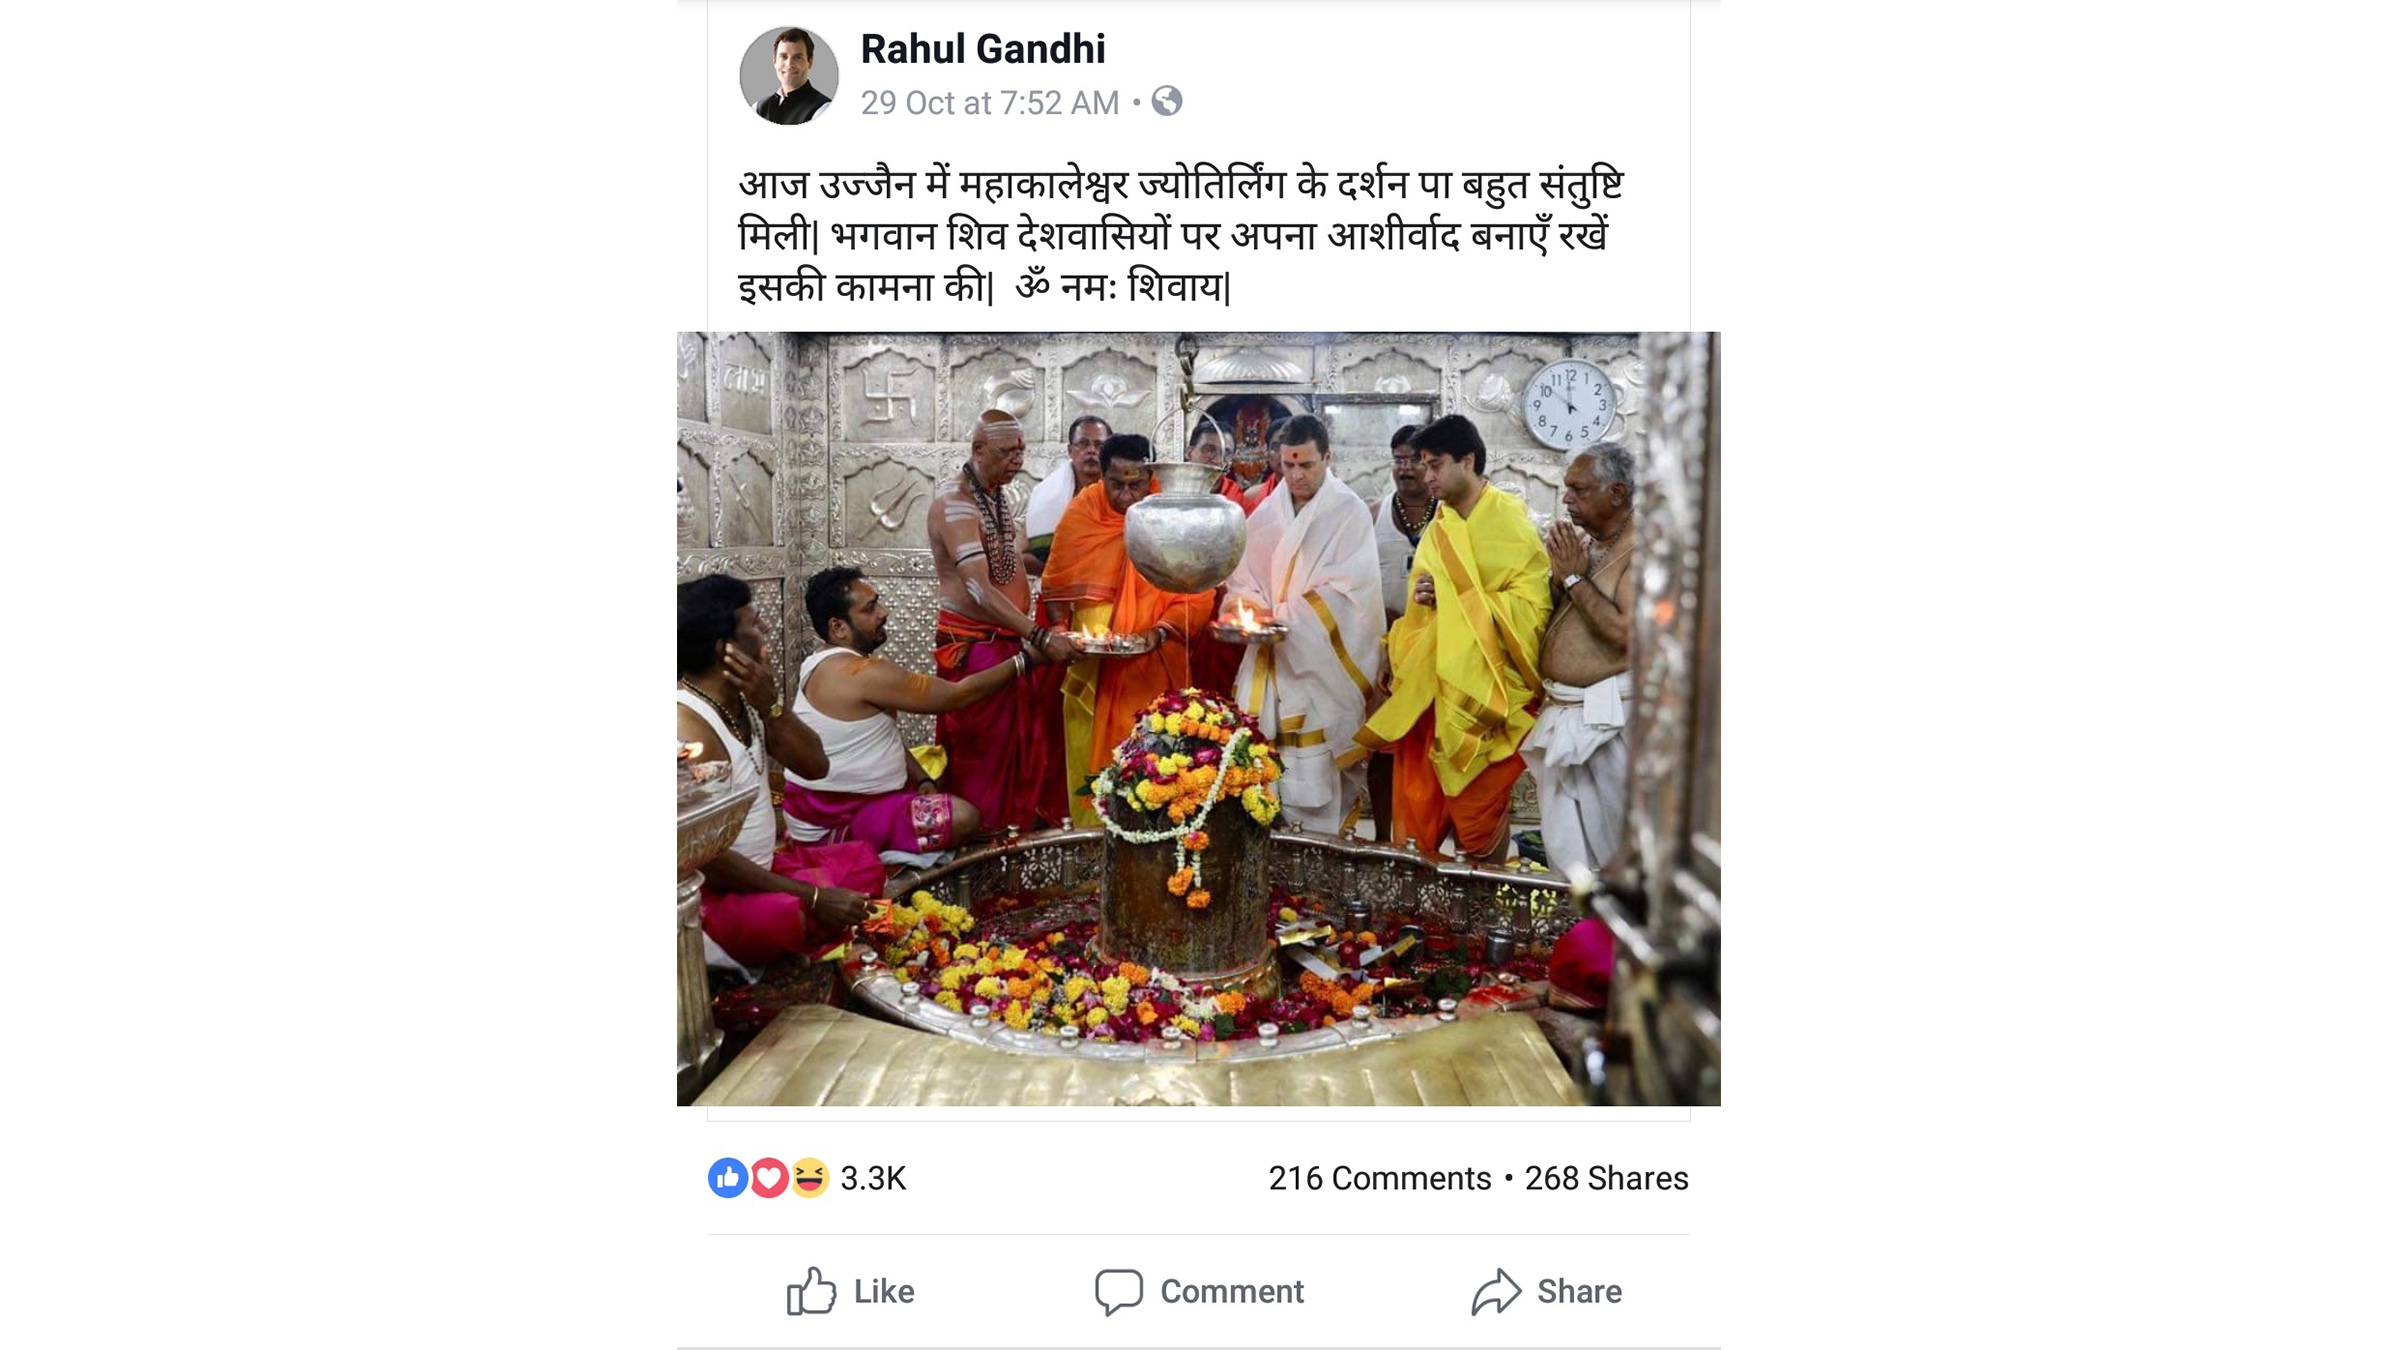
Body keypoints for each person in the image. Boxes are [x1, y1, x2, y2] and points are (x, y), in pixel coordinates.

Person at [1340, 415, 1551, 861]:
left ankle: (1485, 914)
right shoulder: (1442, 522)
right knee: (1419, 823)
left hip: (1485, 700)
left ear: (1467, 461)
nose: (1426, 476)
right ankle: (1424, 922)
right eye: (1423, 465)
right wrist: (1424, 604)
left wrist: (1455, 599)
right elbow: (1424, 611)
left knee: (1477, 820)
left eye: (1436, 465)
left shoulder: (1507, 520)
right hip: (1431, 696)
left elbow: (1532, 613)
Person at [784, 567, 1051, 864]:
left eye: (878, 602)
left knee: (938, 790)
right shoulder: (857, 673)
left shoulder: (820, 662)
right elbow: (956, 695)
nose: (883, 613)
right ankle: (849, 849)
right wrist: (1026, 660)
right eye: (870, 608)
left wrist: (922, 777)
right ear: (838, 627)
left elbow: (881, 736)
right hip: (835, 818)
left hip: (833, 807)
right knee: (965, 817)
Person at [677, 575, 878, 968]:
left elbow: (815, 766)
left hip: (762, 871)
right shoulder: (687, 726)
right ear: (726, 650)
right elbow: (702, 858)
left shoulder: (745, 700)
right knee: (786, 917)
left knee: (864, 863)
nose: (766, 629)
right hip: (711, 893)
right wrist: (812, 896)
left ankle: (799, 922)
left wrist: (770, 705)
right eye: (754, 623)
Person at [1221, 416, 1388, 834]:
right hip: (1268, 670)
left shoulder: (1348, 513)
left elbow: (1349, 596)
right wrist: (1250, 609)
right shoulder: (1265, 515)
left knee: (1314, 796)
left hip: (1319, 674)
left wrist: (1282, 618)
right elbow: (1243, 580)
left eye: (1307, 465)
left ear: (1327, 458)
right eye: (1288, 465)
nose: (1295, 475)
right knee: (1262, 786)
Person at [1042, 434, 1216, 823]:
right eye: (1115, 483)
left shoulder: (1169, 514)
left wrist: (1159, 631)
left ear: (1151, 476)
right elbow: (1055, 584)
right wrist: (1059, 629)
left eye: (1135, 483)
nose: (1125, 494)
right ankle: (1090, 848)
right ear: (1099, 477)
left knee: (1156, 758)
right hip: (1090, 665)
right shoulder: (1081, 512)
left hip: (1155, 661)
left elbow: (1199, 587)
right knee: (1094, 764)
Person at [928, 411, 1080, 832]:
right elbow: (977, 588)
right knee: (984, 759)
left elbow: (1010, 565)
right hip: (977, 651)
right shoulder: (955, 503)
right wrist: (1040, 636)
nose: (1017, 461)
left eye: (1020, 451)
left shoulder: (995, 495)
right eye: (1005, 452)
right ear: (977, 450)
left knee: (1018, 755)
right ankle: (982, 852)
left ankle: (1011, 845)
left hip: (1007, 643)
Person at [1521, 446, 1639, 877]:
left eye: (1579, 489)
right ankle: (1578, 938)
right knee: (1566, 856)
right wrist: (1560, 579)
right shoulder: (1590, 544)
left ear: (1617, 493)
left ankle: (1614, 939)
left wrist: (1573, 577)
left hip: (1610, 723)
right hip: (1565, 714)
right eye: (1567, 488)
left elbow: (1628, 635)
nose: (1567, 498)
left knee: (1614, 857)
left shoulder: (1643, 550)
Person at [1366, 424, 1430, 839]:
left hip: (1434, 646)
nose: (1404, 469)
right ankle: (1385, 838)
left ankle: (1424, 836)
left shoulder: (1449, 515)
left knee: (1427, 741)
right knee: (1382, 745)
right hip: (1383, 647)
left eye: (1414, 460)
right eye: (1398, 460)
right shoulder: (1373, 513)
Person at [1023, 415, 1110, 577]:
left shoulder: (1121, 496)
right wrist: (1066, 565)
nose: (1092, 450)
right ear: (1070, 450)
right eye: (1083, 443)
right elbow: (1021, 556)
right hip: (1059, 594)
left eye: (1099, 445)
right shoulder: (1045, 496)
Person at [754, 28, 831, 124]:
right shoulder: (757, 108)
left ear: (810, 62)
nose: (789, 65)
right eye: (783, 57)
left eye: (798, 57)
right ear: (774, 61)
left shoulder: (823, 110)